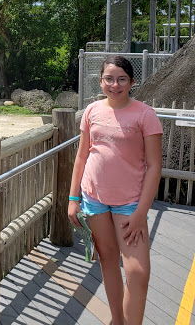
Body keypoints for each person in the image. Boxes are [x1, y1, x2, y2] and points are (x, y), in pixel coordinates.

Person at [68, 55, 163, 325]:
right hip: (94, 199)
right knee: (108, 260)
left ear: (132, 82)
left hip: (130, 203)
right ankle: (117, 321)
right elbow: (82, 156)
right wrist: (73, 198)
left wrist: (141, 212)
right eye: (109, 78)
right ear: (100, 81)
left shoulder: (146, 115)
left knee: (137, 271)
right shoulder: (92, 111)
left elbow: (154, 167)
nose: (115, 84)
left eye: (122, 79)